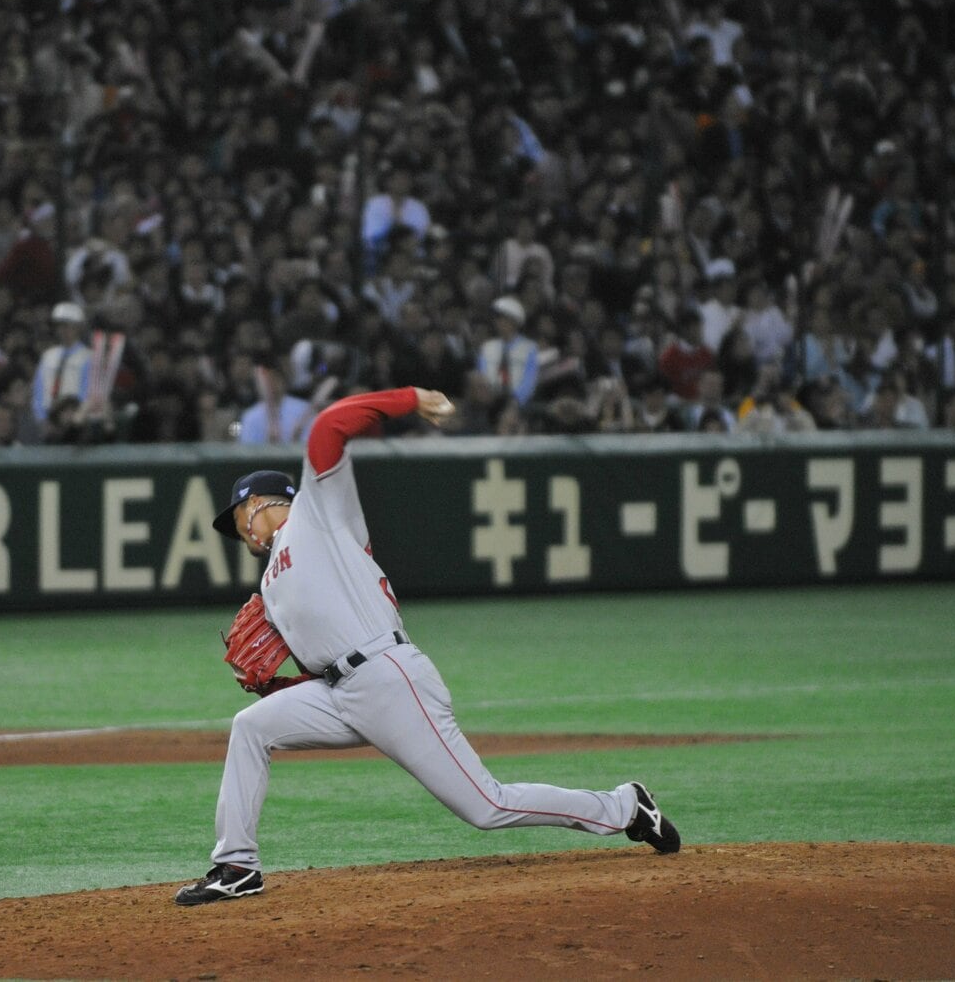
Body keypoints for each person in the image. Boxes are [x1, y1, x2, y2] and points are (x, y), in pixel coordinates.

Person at [174, 386, 679, 905]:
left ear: (256, 504)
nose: (241, 535)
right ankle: (236, 866)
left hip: (388, 677)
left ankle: (625, 806)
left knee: (487, 806)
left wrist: (410, 398)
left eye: (238, 522)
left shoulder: (317, 513)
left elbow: (328, 427)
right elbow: (321, 656)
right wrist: (283, 687)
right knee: (252, 727)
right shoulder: (272, 585)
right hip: (340, 690)